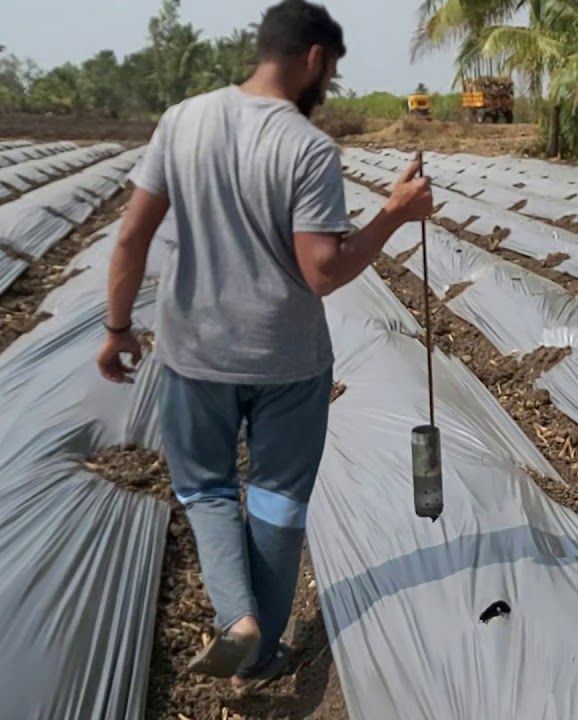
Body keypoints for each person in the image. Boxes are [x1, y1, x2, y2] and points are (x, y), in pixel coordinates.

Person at [96, 0, 435, 688]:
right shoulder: (306, 149)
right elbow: (323, 270)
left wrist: (117, 326)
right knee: (279, 499)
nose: (326, 86)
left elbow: (132, 236)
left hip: (196, 353)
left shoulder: (183, 121)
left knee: (208, 489)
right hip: (288, 357)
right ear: (314, 58)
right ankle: (262, 655)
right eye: (330, 72)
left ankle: (237, 617)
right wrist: (395, 214)